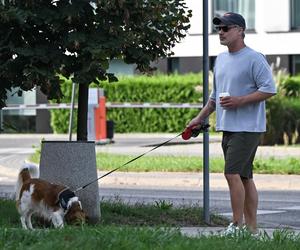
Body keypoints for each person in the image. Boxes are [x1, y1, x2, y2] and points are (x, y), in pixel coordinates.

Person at [187, 12, 276, 234]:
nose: (221, 33)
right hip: (228, 126)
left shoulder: (254, 58)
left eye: (226, 28)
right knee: (245, 177)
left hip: (247, 128)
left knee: (231, 173)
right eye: (219, 29)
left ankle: (236, 225)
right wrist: (199, 118)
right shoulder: (221, 59)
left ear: (240, 30)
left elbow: (269, 89)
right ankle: (253, 231)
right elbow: (215, 98)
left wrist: (240, 101)